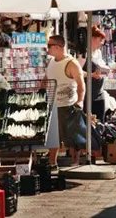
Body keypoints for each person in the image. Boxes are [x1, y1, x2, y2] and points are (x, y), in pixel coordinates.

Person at [45, 35, 86, 167]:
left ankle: (75, 162)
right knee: (53, 136)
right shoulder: (51, 61)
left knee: (72, 136)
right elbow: (46, 78)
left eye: (49, 46)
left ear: (57, 47)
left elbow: (81, 85)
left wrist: (80, 101)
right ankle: (52, 161)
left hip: (68, 105)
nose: (47, 49)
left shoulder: (71, 63)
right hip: (52, 104)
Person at [81, 25, 109, 123]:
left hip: (99, 91)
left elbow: (102, 66)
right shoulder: (84, 53)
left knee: (100, 119)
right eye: (100, 39)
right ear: (92, 38)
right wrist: (92, 74)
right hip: (88, 93)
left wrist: (109, 69)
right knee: (89, 121)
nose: (102, 42)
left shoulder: (98, 52)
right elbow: (79, 71)